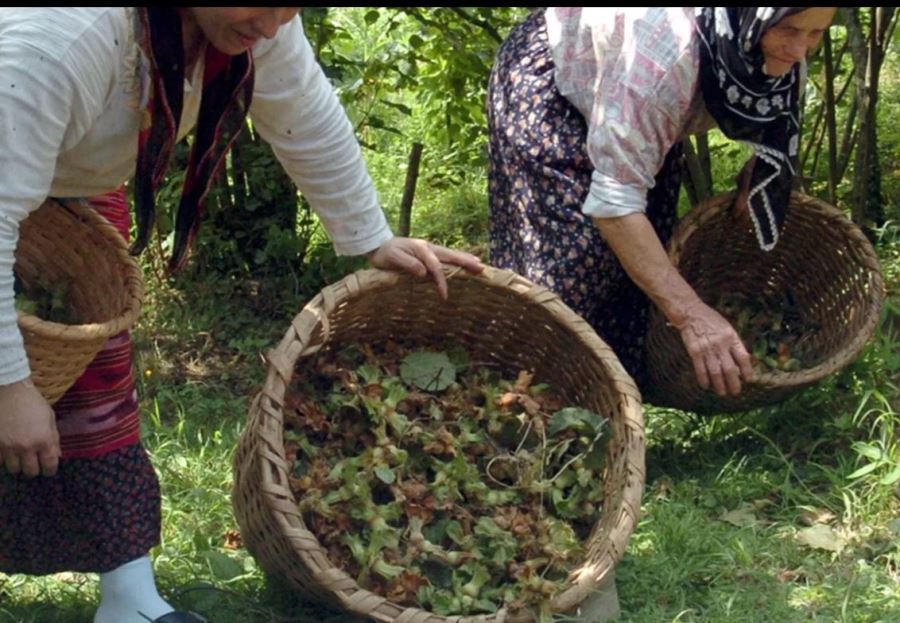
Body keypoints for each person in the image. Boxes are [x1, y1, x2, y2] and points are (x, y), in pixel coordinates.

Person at [0, 8, 482, 623]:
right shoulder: (66, 41)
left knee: (96, 380)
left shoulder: (252, 21)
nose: (277, 24)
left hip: (68, 185)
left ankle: (130, 603)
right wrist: (11, 384)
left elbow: (303, 112)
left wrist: (372, 237)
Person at [487, 7, 836, 397]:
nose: (799, 49)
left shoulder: (772, 46)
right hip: (555, 80)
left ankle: (618, 401)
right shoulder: (663, 63)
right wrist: (692, 316)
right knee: (573, 266)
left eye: (817, 34)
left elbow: (777, 109)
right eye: (788, 30)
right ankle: (537, 403)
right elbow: (614, 207)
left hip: (629, 98)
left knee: (643, 258)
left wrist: (762, 166)